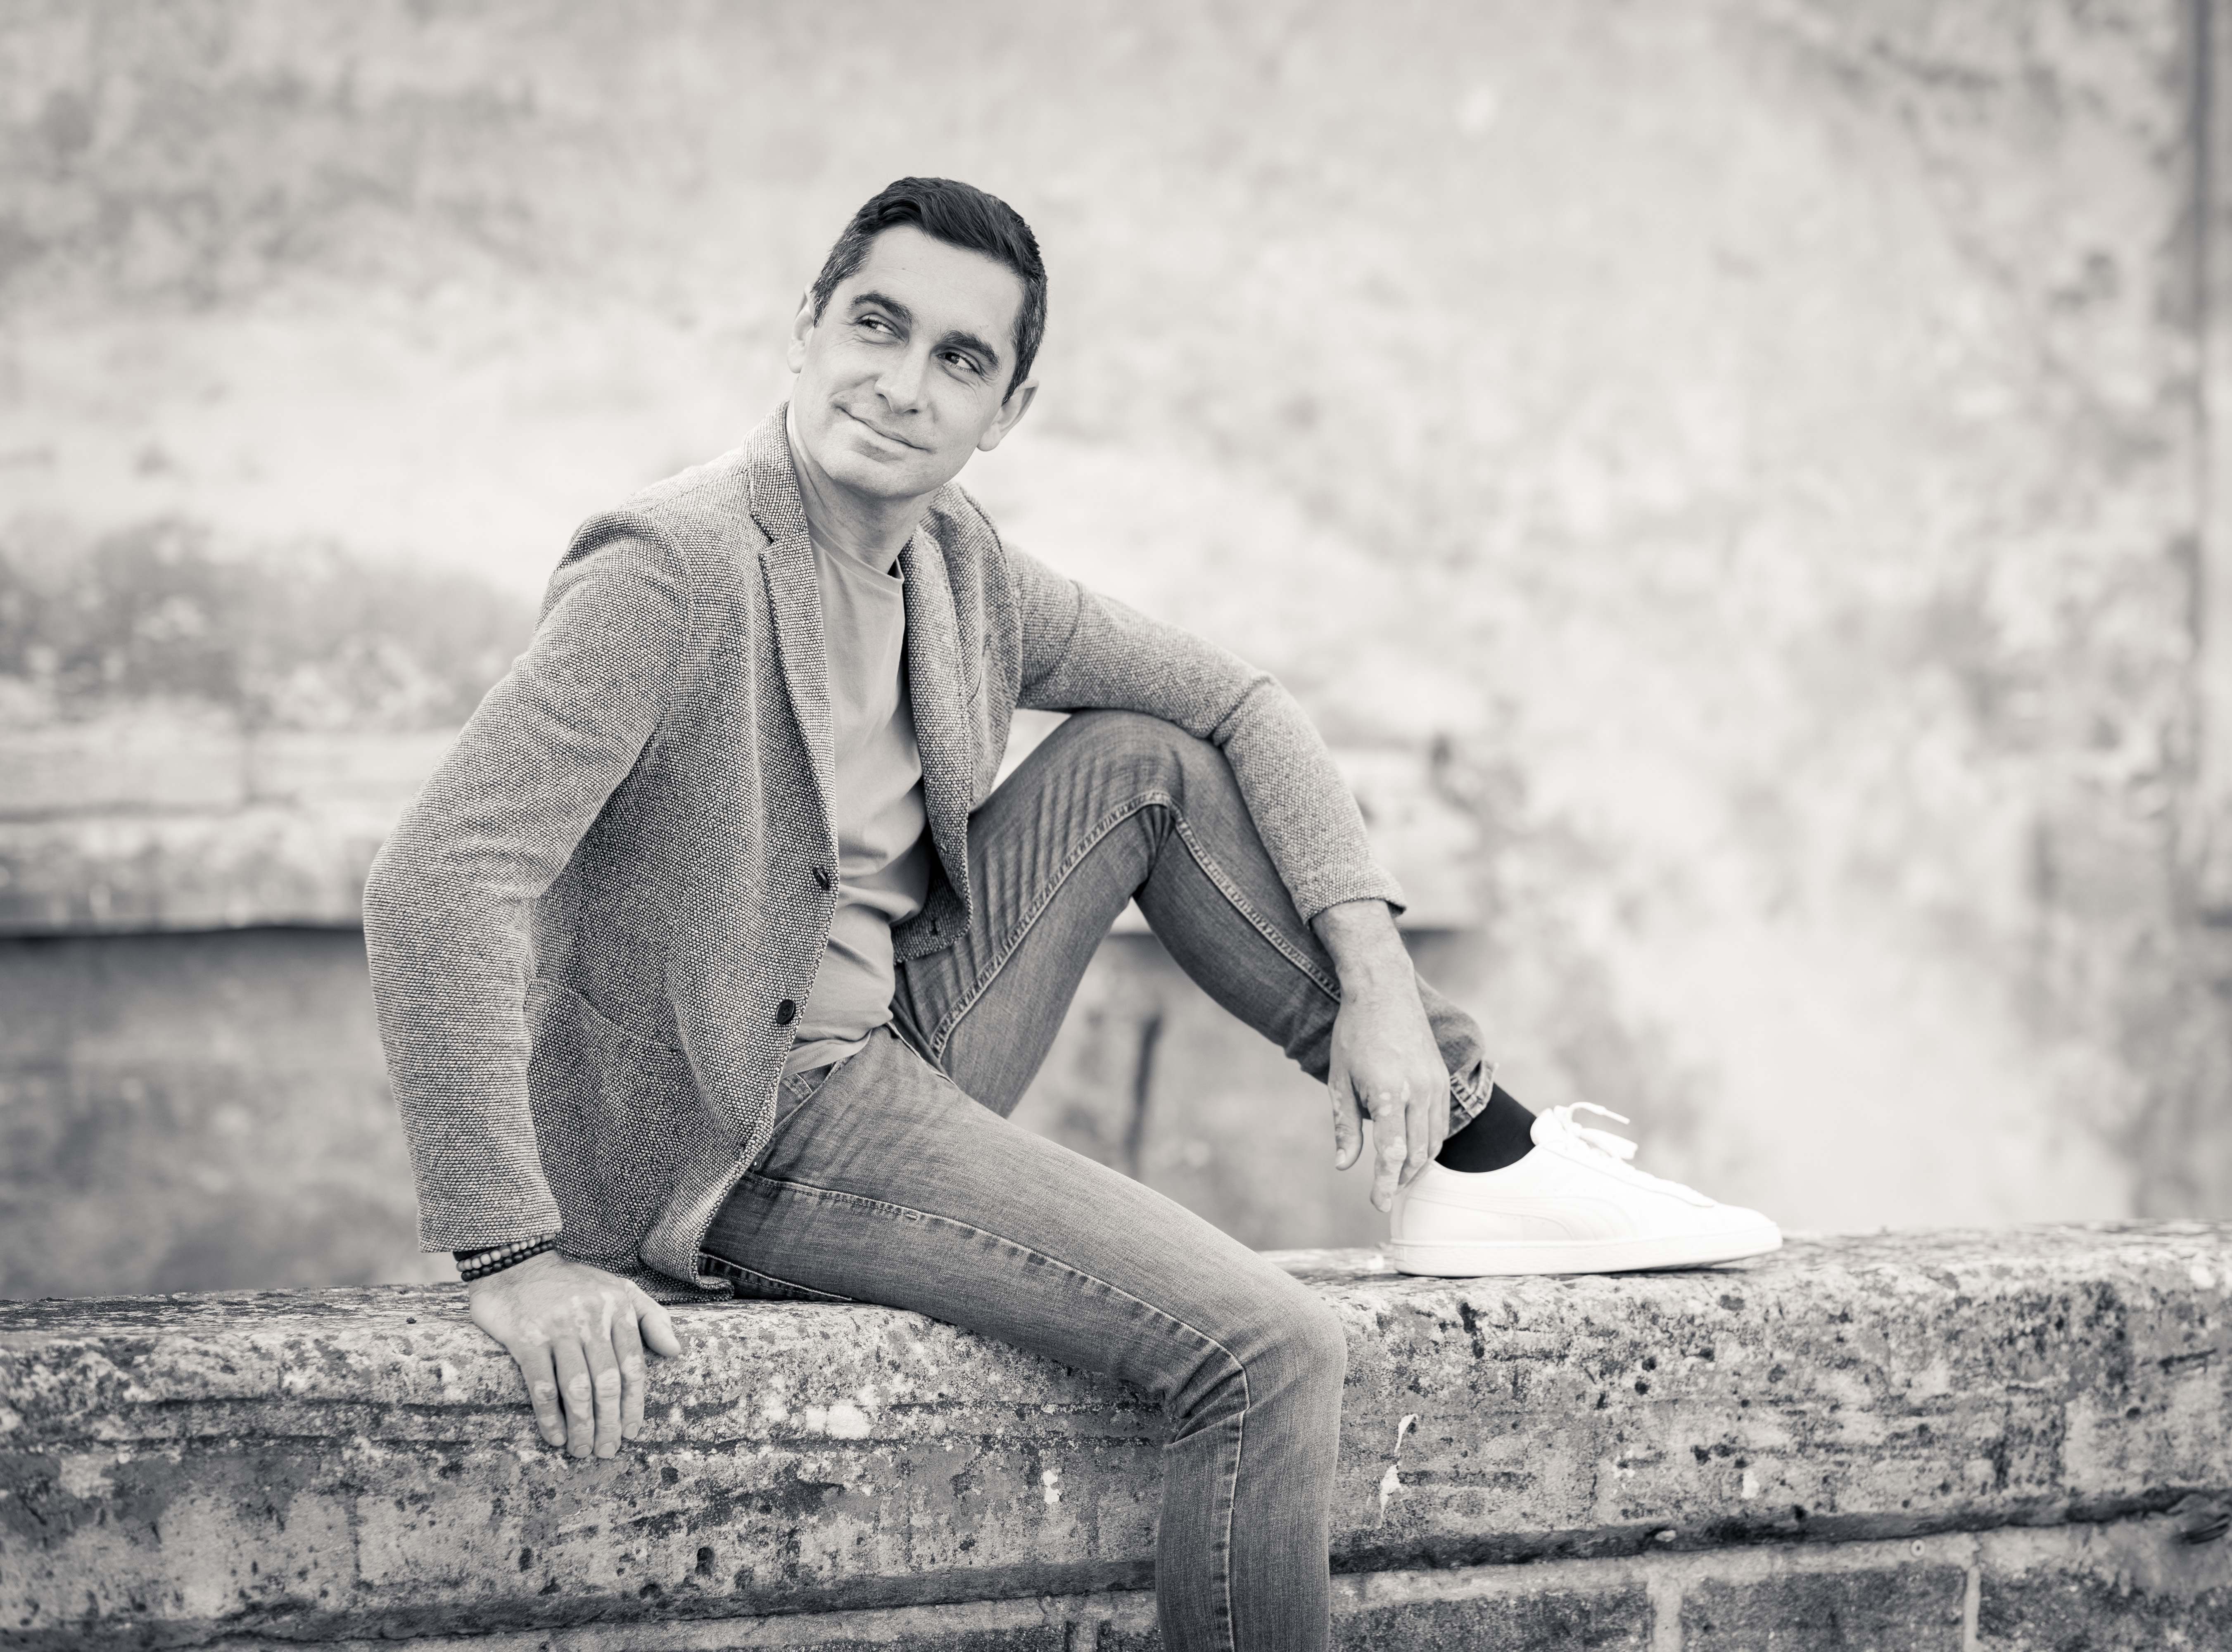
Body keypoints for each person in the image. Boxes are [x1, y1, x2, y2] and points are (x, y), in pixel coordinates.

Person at [363, 176, 1779, 1652]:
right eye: (876, 327)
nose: (902, 385)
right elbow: (439, 875)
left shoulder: (958, 567)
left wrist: (1377, 979)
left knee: (1148, 761)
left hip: (902, 1034)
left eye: (959, 360)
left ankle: (1475, 1143)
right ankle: (1477, 1163)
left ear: (1007, 410)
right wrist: (512, 1258)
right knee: (1269, 1350)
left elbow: (1244, 700)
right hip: (745, 1128)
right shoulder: (676, 569)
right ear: (807, 330)